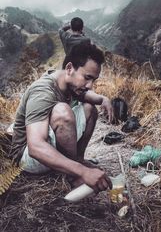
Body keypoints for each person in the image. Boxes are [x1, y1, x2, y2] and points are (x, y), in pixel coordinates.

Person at [12, 43, 113, 193]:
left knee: (89, 108)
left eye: (94, 80)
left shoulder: (69, 82)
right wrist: (82, 171)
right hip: (27, 157)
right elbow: (35, 147)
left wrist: (102, 99)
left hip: (45, 147)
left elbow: (85, 95)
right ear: (70, 68)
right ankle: (72, 175)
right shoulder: (42, 91)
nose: (90, 85)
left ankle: (77, 159)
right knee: (62, 111)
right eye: (87, 77)